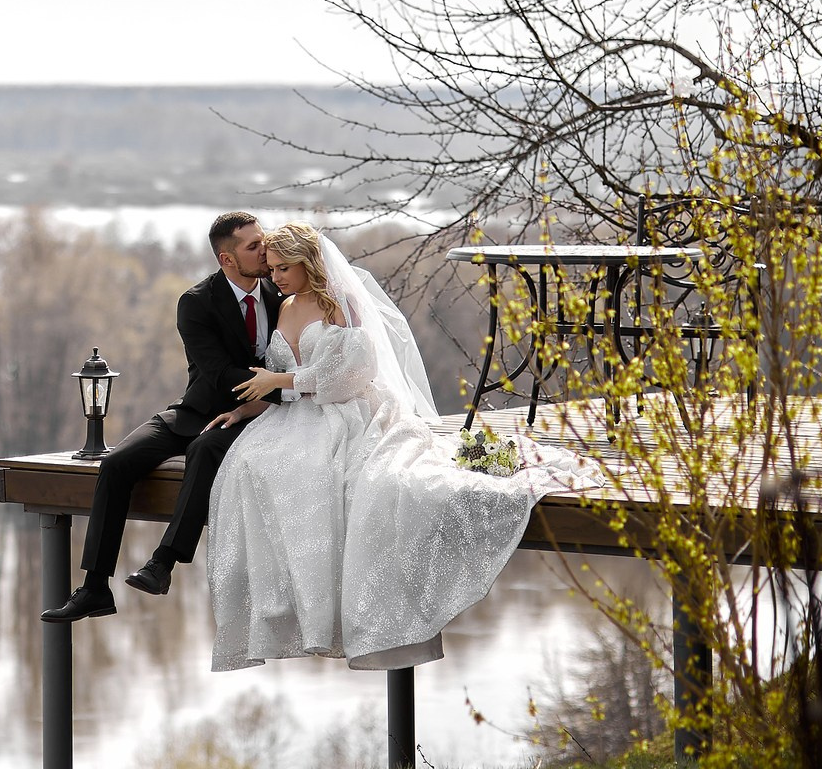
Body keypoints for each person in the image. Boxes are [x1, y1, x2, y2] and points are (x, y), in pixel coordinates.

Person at [203, 223, 590, 670]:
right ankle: (288, 608)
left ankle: (346, 614)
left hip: (346, 411)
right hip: (294, 415)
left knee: (334, 475)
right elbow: (272, 382)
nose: (275, 277)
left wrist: (283, 380)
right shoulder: (285, 305)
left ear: (308, 263)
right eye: (271, 269)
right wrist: (245, 410)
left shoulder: (340, 306)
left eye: (283, 268)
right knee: (249, 465)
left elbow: (351, 376)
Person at [41, 211, 283, 623]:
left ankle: (162, 562)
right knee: (117, 462)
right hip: (195, 409)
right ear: (227, 259)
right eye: (253, 246)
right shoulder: (196, 302)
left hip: (254, 417)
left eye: (263, 240)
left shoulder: (281, 293)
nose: (265, 250)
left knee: (204, 449)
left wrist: (282, 390)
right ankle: (95, 588)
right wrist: (280, 383)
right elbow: (218, 372)